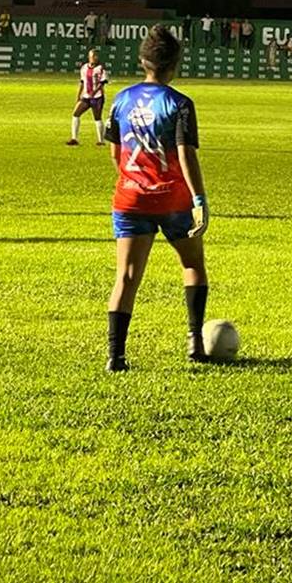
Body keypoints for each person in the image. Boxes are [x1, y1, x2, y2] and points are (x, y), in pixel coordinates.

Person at [104, 25, 209, 372]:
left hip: (130, 199)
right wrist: (199, 201)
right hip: (172, 199)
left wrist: (132, 179)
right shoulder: (179, 104)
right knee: (192, 264)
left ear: (142, 60)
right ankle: (195, 341)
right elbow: (185, 155)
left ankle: (115, 357)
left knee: (126, 277)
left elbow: (115, 150)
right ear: (174, 64)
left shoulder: (120, 99)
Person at [68, 48, 110, 146]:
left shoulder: (101, 68)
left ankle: (101, 140)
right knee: (76, 113)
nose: (94, 58)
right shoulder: (84, 68)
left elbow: (102, 83)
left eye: (95, 56)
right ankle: (74, 138)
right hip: (86, 96)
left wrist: (94, 92)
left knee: (97, 118)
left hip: (97, 97)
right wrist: (79, 95)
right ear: (89, 57)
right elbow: (82, 82)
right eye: (92, 56)